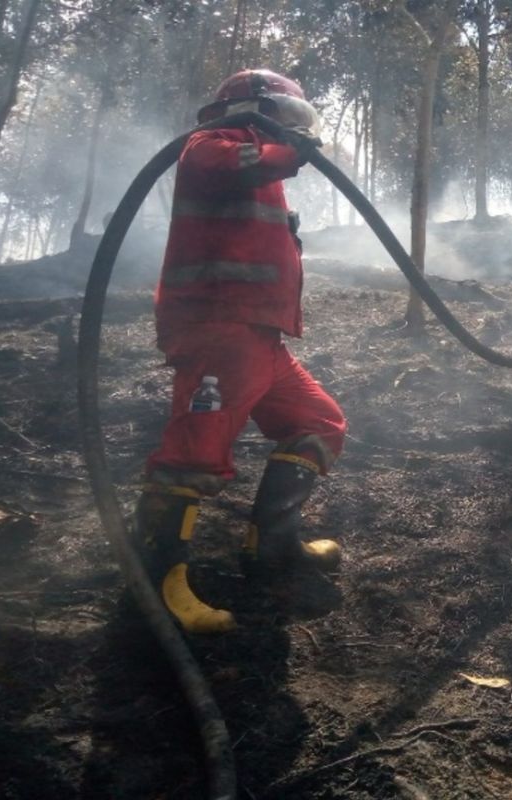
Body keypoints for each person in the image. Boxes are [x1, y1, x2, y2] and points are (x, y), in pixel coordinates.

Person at [133, 69, 345, 634]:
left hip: (259, 336)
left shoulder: (261, 164)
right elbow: (230, 163)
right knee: (193, 455)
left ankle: (271, 546)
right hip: (217, 327)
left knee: (318, 422)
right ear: (256, 111)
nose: (294, 133)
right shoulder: (211, 145)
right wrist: (290, 151)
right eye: (287, 120)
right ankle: (157, 587)